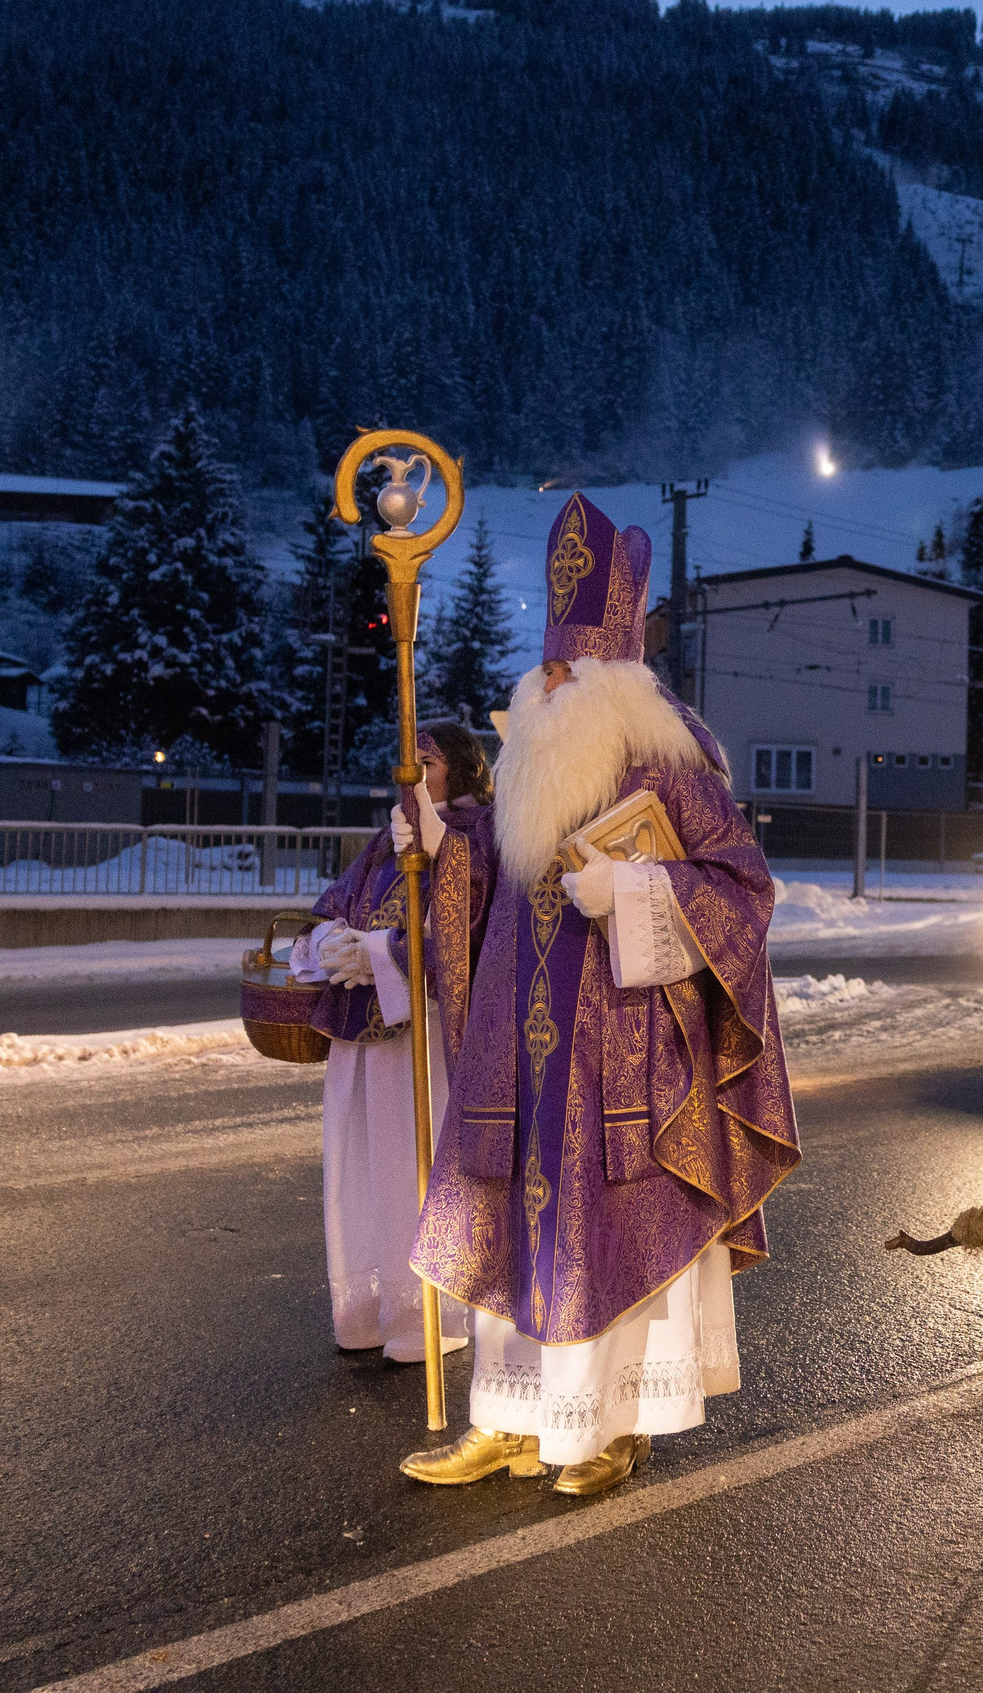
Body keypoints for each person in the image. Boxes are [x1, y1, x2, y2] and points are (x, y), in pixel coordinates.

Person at [401, 494, 799, 1498]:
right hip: (515, 1055)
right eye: (546, 663)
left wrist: (631, 889)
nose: (550, 676)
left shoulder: (671, 763)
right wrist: (440, 853)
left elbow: (744, 890)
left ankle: (614, 1425)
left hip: (621, 1051)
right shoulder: (526, 771)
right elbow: (488, 901)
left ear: (612, 675)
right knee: (504, 1223)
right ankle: (510, 1417)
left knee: (597, 1226)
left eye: (570, 666)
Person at [289, 719, 496, 1363]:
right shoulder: (387, 839)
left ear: (458, 769)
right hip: (364, 1034)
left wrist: (380, 954)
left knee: (416, 1163)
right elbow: (334, 904)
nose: (410, 777)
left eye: (426, 764)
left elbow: (473, 932)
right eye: (406, 764)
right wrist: (330, 946)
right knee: (362, 1162)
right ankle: (375, 1303)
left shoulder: (477, 835)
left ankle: (431, 1309)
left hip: (427, 1034)